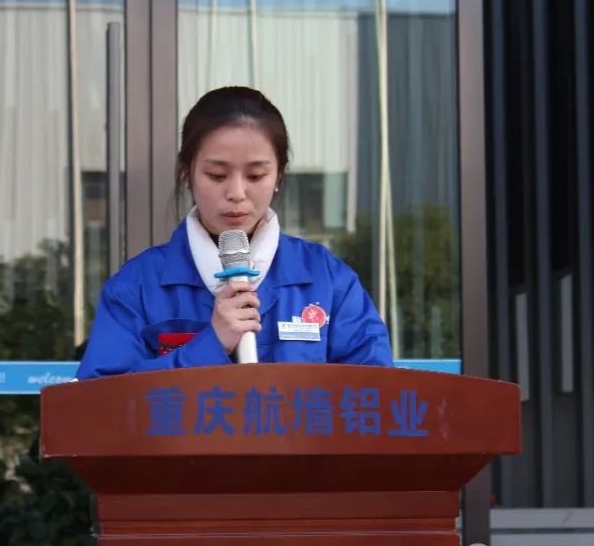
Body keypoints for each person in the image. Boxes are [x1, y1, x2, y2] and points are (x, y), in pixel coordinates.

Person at [76, 85, 392, 381]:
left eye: (255, 175)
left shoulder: (328, 280)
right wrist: (209, 345)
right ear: (187, 172)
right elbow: (100, 403)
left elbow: (376, 395)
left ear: (279, 176)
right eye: (217, 175)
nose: (237, 193)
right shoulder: (137, 286)